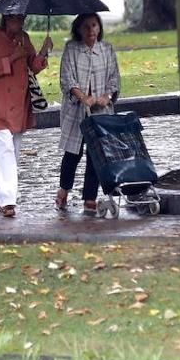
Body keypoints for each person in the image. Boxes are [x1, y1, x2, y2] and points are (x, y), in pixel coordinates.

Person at [0, 14, 52, 218]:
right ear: (6, 18)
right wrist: (12, 57)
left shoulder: (24, 38)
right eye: (15, 19)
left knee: (13, 153)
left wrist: (44, 50)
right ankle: (9, 201)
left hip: (20, 104)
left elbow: (33, 66)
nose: (19, 22)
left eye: (22, 19)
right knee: (5, 150)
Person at [56, 13, 120, 216]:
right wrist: (83, 97)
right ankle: (64, 189)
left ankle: (90, 197)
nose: (91, 30)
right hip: (76, 112)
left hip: (101, 112)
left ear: (99, 28)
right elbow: (67, 79)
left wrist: (106, 96)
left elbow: (115, 79)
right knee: (73, 153)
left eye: (94, 25)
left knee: (96, 155)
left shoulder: (107, 49)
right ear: (78, 29)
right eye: (86, 26)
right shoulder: (71, 49)